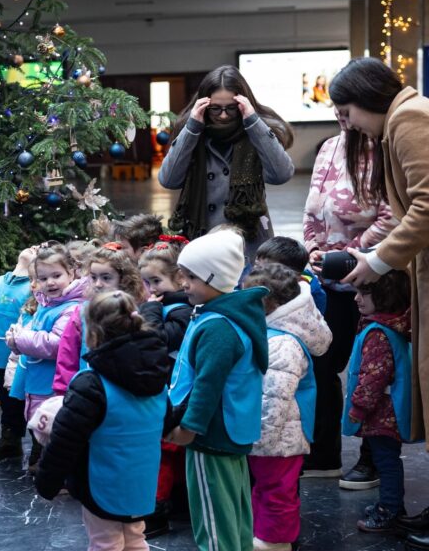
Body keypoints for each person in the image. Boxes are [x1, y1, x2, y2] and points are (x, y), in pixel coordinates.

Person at [328, 58, 429, 551]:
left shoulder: (408, 119)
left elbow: (426, 205)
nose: (347, 125)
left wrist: (380, 260)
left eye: (346, 112)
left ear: (367, 98)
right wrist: (367, 256)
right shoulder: (399, 123)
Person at [35, 291, 170, 551]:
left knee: (105, 544)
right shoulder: (156, 378)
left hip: (102, 478)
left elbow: (66, 439)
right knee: (135, 536)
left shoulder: (91, 382)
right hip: (142, 478)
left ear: (93, 334)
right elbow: (166, 420)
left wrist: (47, 481)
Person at [164, 229, 268, 551]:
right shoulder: (233, 315)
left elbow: (208, 385)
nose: (184, 284)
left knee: (211, 497)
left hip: (211, 427)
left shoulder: (218, 326)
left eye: (191, 277)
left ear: (214, 278)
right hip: (233, 423)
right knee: (234, 496)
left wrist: (189, 427)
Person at [303, 113, 396, 487]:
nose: (342, 115)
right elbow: (312, 209)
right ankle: (324, 456)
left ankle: (374, 459)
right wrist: (312, 247)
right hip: (330, 281)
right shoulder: (329, 146)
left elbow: (391, 217)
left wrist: (347, 254)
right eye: (337, 107)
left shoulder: (385, 149)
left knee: (373, 371)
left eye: (348, 107)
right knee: (322, 365)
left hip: (375, 277)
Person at [159, 65, 295, 263]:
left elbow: (281, 174)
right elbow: (169, 179)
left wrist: (253, 122)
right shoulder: (192, 130)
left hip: (249, 243)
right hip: (201, 240)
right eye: (215, 108)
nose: (223, 115)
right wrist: (192, 128)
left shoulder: (257, 129)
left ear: (242, 103)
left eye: (231, 108)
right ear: (204, 104)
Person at [241, 263, 331, 551]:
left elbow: (276, 396)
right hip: (275, 433)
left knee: (277, 488)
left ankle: (277, 537)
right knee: (267, 485)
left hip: (279, 435)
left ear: (267, 304)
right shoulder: (275, 333)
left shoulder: (282, 343)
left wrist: (263, 438)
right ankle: (262, 530)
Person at [7, 244, 88, 473]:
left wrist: (20, 338)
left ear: (71, 273)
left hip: (55, 383)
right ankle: (48, 467)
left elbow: (56, 344)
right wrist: (16, 337)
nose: (50, 283)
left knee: (57, 432)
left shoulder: (72, 307)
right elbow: (35, 331)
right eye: (43, 278)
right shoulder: (46, 303)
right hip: (39, 380)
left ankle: (60, 476)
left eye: (56, 276)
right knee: (43, 428)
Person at [343, 270, 413, 533]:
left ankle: (390, 510)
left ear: (385, 296)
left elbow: (373, 377)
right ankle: (390, 505)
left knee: (386, 462)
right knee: (387, 460)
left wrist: (358, 408)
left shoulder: (378, 333)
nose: (356, 299)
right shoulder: (390, 325)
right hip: (387, 411)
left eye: (364, 293)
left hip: (381, 414)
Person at [137, 239, 193, 538]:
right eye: (147, 283)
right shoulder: (166, 306)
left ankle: (157, 511)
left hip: (175, 392)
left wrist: (149, 311)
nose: (151, 289)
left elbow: (156, 340)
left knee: (166, 452)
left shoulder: (180, 310)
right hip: (165, 389)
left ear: (179, 279)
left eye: (157, 281)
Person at [53, 243, 144, 396]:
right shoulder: (82, 312)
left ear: (123, 279)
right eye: (93, 277)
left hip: (123, 393)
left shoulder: (134, 311)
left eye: (106, 278)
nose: (98, 284)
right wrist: (64, 393)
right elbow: (67, 357)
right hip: (86, 392)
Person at [0, 246, 34, 461]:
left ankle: (36, 444)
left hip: (20, 356)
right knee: (6, 400)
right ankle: (9, 440)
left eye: (40, 249)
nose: (34, 247)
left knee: (21, 400)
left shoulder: (33, 286)